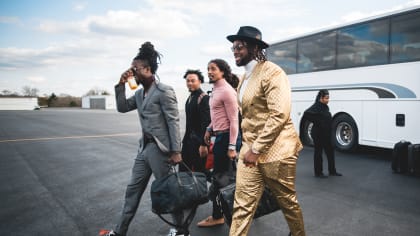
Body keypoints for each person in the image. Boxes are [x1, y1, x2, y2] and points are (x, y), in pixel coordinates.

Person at [100, 42, 187, 236]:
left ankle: (181, 231)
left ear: (148, 69)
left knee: (167, 191)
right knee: (132, 190)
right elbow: (122, 107)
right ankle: (120, 231)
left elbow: (173, 122)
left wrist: (176, 151)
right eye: (131, 70)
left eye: (135, 69)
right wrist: (121, 84)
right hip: (144, 150)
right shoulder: (139, 93)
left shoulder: (164, 91)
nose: (132, 73)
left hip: (161, 151)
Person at [227, 26, 306, 236]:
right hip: (249, 151)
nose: (234, 50)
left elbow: (279, 114)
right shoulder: (243, 78)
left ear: (254, 47)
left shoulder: (273, 72)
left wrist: (257, 148)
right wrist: (248, 148)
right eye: (233, 47)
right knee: (242, 205)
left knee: (288, 202)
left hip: (278, 151)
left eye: (239, 46)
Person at [196, 59, 241, 228]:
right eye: (208, 69)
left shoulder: (227, 91)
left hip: (227, 138)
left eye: (213, 69)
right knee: (222, 180)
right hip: (220, 137)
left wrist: (231, 147)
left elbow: (234, 120)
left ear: (222, 71)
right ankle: (221, 214)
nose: (209, 72)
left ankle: (224, 217)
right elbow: (217, 117)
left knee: (221, 181)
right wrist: (209, 129)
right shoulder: (216, 90)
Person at [303, 89, 342, 178]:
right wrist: (318, 122)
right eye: (326, 98)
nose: (328, 100)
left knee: (330, 152)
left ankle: (332, 171)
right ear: (321, 98)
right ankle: (318, 173)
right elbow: (306, 114)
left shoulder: (324, 106)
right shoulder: (316, 106)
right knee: (318, 153)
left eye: (328, 98)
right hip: (318, 134)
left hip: (326, 134)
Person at [179, 69, 211, 173]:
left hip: (198, 144)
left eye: (193, 81)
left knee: (199, 173)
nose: (189, 83)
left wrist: (204, 145)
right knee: (184, 172)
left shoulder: (204, 98)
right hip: (188, 142)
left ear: (200, 82)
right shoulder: (190, 97)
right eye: (188, 81)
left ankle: (201, 190)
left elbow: (206, 123)